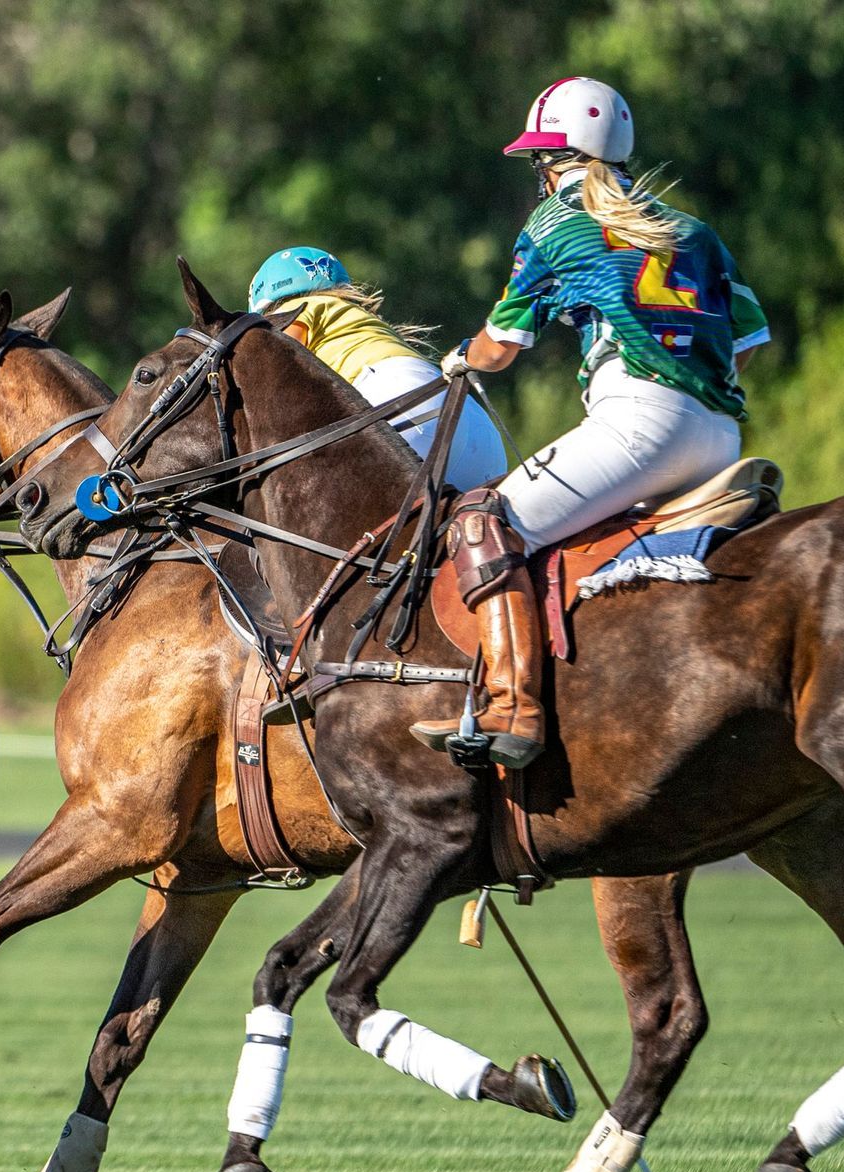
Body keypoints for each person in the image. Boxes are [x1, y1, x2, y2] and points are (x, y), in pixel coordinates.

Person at [409, 77, 771, 767]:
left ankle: (511, 705)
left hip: (638, 425)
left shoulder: (552, 225)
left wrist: (461, 357)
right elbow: (750, 342)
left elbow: (503, 345)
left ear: (554, 163)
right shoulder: (694, 230)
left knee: (483, 519)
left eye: (538, 163)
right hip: (721, 434)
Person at [247, 248, 507, 491]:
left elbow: (271, 367)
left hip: (392, 399)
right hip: (476, 427)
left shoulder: (295, 310)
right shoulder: (361, 319)